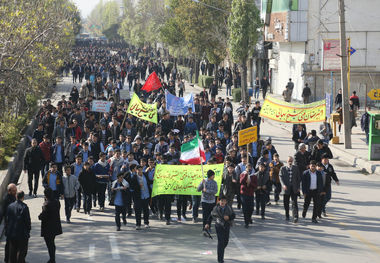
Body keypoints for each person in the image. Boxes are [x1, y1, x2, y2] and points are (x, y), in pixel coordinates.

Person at [205, 196, 235, 263]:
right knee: (220, 241)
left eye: (224, 201)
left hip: (227, 225)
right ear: (219, 201)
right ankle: (220, 259)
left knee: (226, 241)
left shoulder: (229, 208)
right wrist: (207, 224)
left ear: (226, 202)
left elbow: (233, 215)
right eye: (221, 201)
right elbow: (210, 216)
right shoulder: (216, 208)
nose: (222, 202)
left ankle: (220, 250)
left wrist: (229, 217)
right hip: (219, 225)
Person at [5, 191, 31, 263]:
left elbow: (7, 220)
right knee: (22, 252)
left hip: (12, 233)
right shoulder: (24, 207)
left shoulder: (10, 206)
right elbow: (27, 221)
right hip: (22, 233)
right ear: (23, 197)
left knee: (12, 252)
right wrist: (28, 230)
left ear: (16, 196)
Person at [39, 187, 63, 263]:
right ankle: (52, 258)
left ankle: (52, 259)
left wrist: (39, 216)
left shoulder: (47, 204)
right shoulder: (56, 202)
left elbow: (43, 216)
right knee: (52, 243)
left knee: (50, 244)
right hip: (55, 226)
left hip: (48, 227)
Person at [280, 156, 301, 222]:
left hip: (294, 188)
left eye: (291, 161)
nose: (290, 162)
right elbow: (280, 177)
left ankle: (295, 216)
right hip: (286, 188)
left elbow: (298, 178)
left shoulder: (296, 168)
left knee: (294, 202)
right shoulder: (283, 168)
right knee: (286, 203)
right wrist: (283, 185)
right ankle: (287, 215)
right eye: (289, 161)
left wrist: (298, 187)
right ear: (287, 161)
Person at [197, 170, 218, 236]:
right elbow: (198, 189)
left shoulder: (214, 182)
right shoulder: (204, 181)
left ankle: (209, 226)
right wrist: (201, 183)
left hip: (212, 201)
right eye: (213, 175)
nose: (214, 176)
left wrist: (207, 191)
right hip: (205, 200)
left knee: (210, 215)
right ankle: (204, 228)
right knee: (205, 215)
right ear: (211, 176)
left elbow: (215, 191)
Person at [3, 184, 17, 263]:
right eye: (14, 191)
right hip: (9, 225)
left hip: (13, 225)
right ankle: (7, 259)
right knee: (9, 243)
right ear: (9, 191)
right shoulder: (7, 199)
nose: (15, 192)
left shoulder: (12, 197)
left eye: (16, 190)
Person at [239, 163, 257, 228]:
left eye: (250, 167)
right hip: (244, 193)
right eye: (247, 167)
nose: (248, 169)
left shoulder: (254, 176)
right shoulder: (242, 174)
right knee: (245, 209)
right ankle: (246, 222)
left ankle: (249, 218)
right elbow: (241, 182)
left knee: (251, 208)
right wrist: (246, 175)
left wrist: (250, 183)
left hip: (251, 194)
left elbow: (255, 185)